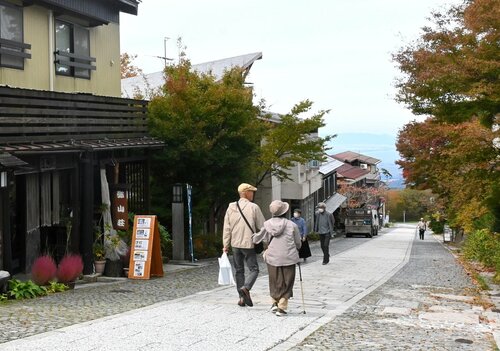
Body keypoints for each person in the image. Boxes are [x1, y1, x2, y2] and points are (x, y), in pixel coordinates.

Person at [252, 200, 301, 316]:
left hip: (272, 257)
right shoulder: (292, 225)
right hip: (289, 257)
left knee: (274, 280)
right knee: (287, 281)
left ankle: (274, 302)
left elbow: (257, 239)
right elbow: (298, 243)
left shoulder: (267, 224)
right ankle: (282, 306)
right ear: (285, 211)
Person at [223, 183, 265, 307]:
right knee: (254, 269)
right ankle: (246, 288)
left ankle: (242, 298)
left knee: (239, 271)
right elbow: (263, 227)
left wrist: (225, 244)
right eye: (251, 192)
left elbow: (227, 227)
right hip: (248, 243)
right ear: (245, 193)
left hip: (235, 244)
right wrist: (267, 242)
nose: (253, 194)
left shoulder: (231, 207)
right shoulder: (254, 207)